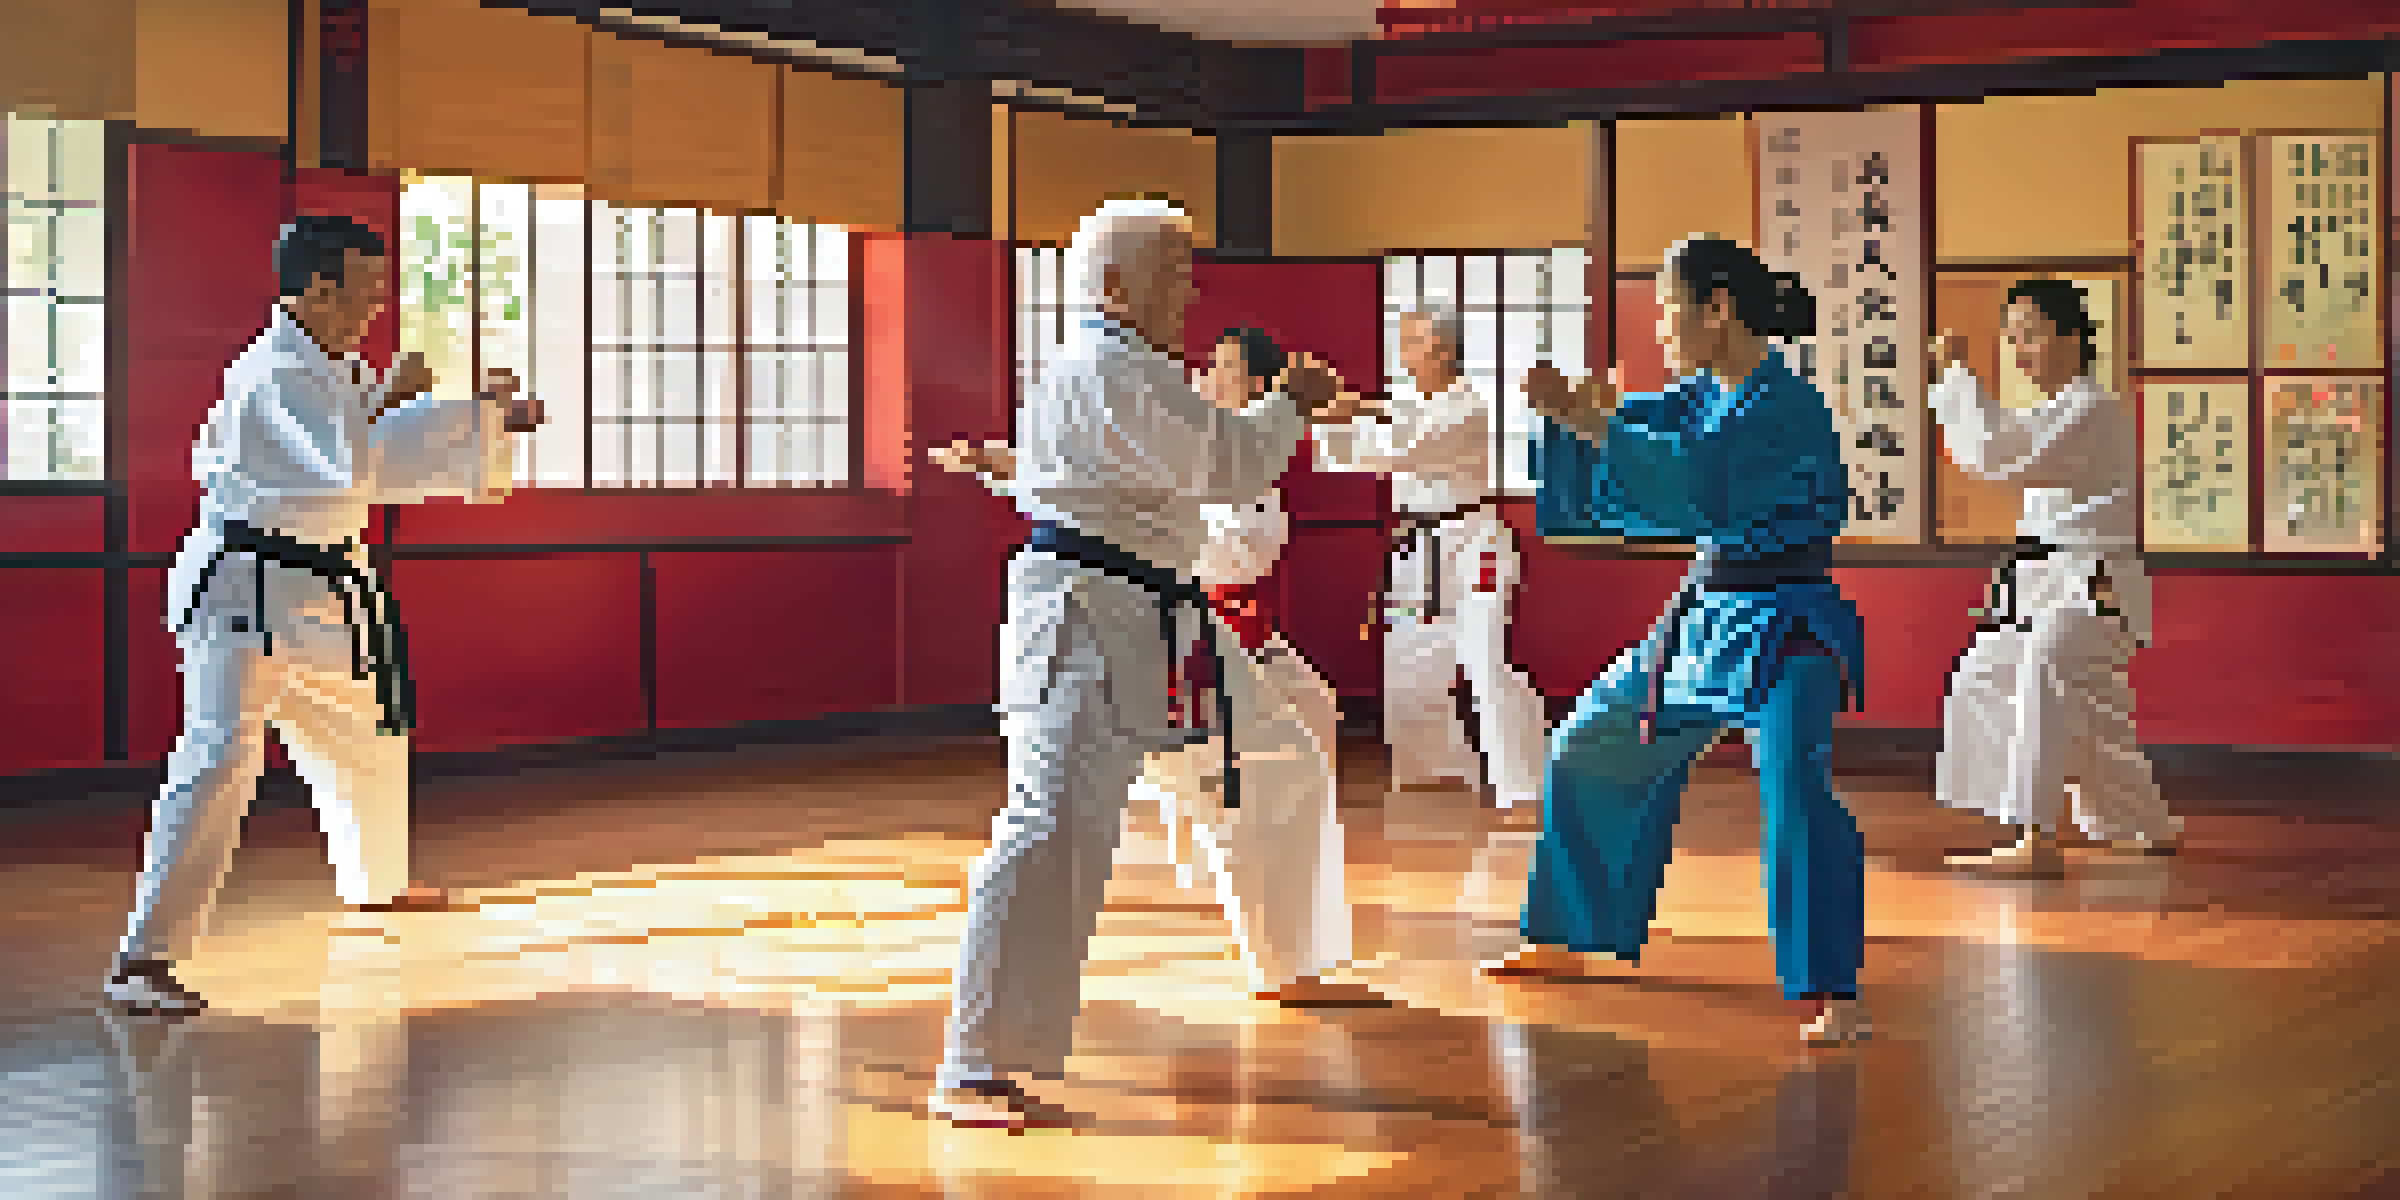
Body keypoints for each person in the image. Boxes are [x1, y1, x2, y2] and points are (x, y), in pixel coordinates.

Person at [927, 199, 1346, 1130]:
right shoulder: (1105, 369)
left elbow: (1177, 469)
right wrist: (1291, 403)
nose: (1191, 291)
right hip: (1082, 620)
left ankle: (1290, 958)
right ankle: (973, 1062)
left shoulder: (1134, 373)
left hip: (1157, 618)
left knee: (1273, 757)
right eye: (1172, 275)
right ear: (1115, 287)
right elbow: (1229, 465)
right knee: (1048, 829)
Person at [105, 214, 543, 1018]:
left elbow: (367, 445)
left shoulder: (328, 367)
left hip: (317, 592)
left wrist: (486, 421)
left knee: (368, 731)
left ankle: (377, 882)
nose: (377, 306)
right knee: (217, 764)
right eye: (366, 290)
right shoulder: (276, 371)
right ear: (315, 287)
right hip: (246, 594)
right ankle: (145, 958)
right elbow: (352, 462)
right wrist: (419, 402)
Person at [934, 327, 1370, 1013]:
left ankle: (1284, 960)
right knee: (1064, 815)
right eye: (1211, 362)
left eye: (1225, 368)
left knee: (1281, 764)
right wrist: (1000, 463)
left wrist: (1292, 411)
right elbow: (1102, 482)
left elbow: (1225, 527)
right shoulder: (1178, 425)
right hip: (1146, 638)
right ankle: (988, 1040)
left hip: (1183, 638)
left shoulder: (1225, 454)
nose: (1208, 373)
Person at [1504, 235, 1871, 1047]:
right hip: (1707, 622)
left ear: (1721, 309)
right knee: (1589, 745)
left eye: (1670, 309)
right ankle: (1570, 933)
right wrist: (1573, 416)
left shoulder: (1786, 406)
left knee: (1796, 794)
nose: (1662, 328)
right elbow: (1636, 431)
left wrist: (1589, 419)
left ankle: (1832, 991)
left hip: (1787, 626)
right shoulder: (1701, 394)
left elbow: (1700, 479)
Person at [1927, 282, 2180, 877]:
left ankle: (2035, 838)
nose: (2020, 351)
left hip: (2096, 586)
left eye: (2032, 334)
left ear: (2072, 337)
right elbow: (2001, 445)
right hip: (2050, 584)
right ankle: (2141, 821)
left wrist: (1958, 378)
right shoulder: (2056, 412)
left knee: (2048, 664)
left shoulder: (2091, 409)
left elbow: (1997, 452)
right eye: (2013, 338)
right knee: (1994, 673)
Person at [1312, 305, 1550, 811]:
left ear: (1441, 347)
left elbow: (1405, 445)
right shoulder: (1404, 403)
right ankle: (1434, 770)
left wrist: (1349, 410)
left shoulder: (1469, 407)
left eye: (1411, 341)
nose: (1402, 353)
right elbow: (1352, 454)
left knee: (1484, 660)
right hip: (1415, 555)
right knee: (1406, 654)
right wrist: (1335, 414)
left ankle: (1524, 782)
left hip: (1475, 550)